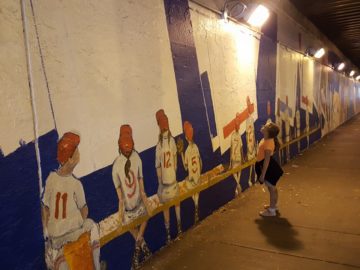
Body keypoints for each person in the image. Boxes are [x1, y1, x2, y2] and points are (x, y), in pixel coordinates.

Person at [41, 132, 103, 270]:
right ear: (70, 160)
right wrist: (76, 221)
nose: (79, 155)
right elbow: (84, 210)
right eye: (77, 153)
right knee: (92, 225)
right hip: (71, 234)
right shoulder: (76, 184)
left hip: (55, 237)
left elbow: (45, 208)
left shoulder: (51, 179)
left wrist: (47, 230)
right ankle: (97, 267)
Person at [112, 125, 152, 269]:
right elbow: (142, 190)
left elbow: (121, 199)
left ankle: (138, 249)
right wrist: (147, 205)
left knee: (128, 222)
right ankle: (142, 247)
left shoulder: (115, 165)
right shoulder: (136, 158)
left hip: (129, 208)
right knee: (144, 215)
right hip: (137, 206)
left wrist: (119, 220)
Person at [155, 109, 181, 243]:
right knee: (167, 207)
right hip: (166, 182)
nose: (165, 124)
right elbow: (158, 166)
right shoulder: (160, 145)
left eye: (166, 121)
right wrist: (160, 182)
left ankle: (178, 228)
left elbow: (174, 159)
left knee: (176, 203)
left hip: (170, 181)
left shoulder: (170, 141)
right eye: (163, 122)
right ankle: (169, 233)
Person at [255, 123, 283, 217]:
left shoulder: (268, 143)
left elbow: (266, 160)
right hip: (268, 166)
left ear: (267, 131)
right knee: (273, 188)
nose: (263, 126)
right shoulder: (267, 139)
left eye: (265, 126)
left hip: (267, 168)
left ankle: (272, 211)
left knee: (271, 188)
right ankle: (274, 205)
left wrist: (263, 175)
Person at [178, 121, 202, 223]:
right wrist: (199, 172)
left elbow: (185, 167)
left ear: (186, 137)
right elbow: (200, 162)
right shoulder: (196, 147)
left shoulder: (187, 151)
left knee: (187, 182)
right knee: (196, 188)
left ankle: (196, 207)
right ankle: (196, 207)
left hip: (192, 180)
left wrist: (181, 154)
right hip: (197, 177)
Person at [230, 115, 244, 196]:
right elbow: (232, 148)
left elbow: (241, 147)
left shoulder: (236, 135)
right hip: (235, 156)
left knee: (236, 171)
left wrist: (242, 157)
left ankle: (237, 186)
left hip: (236, 156)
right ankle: (238, 185)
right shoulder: (236, 135)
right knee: (236, 171)